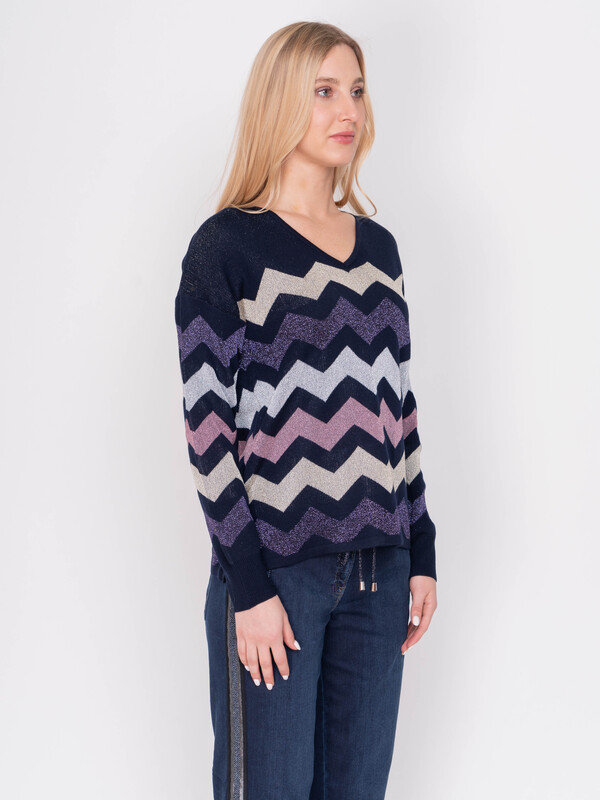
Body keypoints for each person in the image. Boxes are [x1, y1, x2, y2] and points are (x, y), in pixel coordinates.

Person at [174, 20, 438, 800]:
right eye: (323, 91)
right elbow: (208, 434)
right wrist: (250, 587)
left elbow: (399, 410)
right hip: (277, 576)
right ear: (280, 100)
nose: (346, 109)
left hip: (380, 573)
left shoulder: (380, 251)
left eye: (355, 90)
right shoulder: (226, 248)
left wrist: (421, 546)